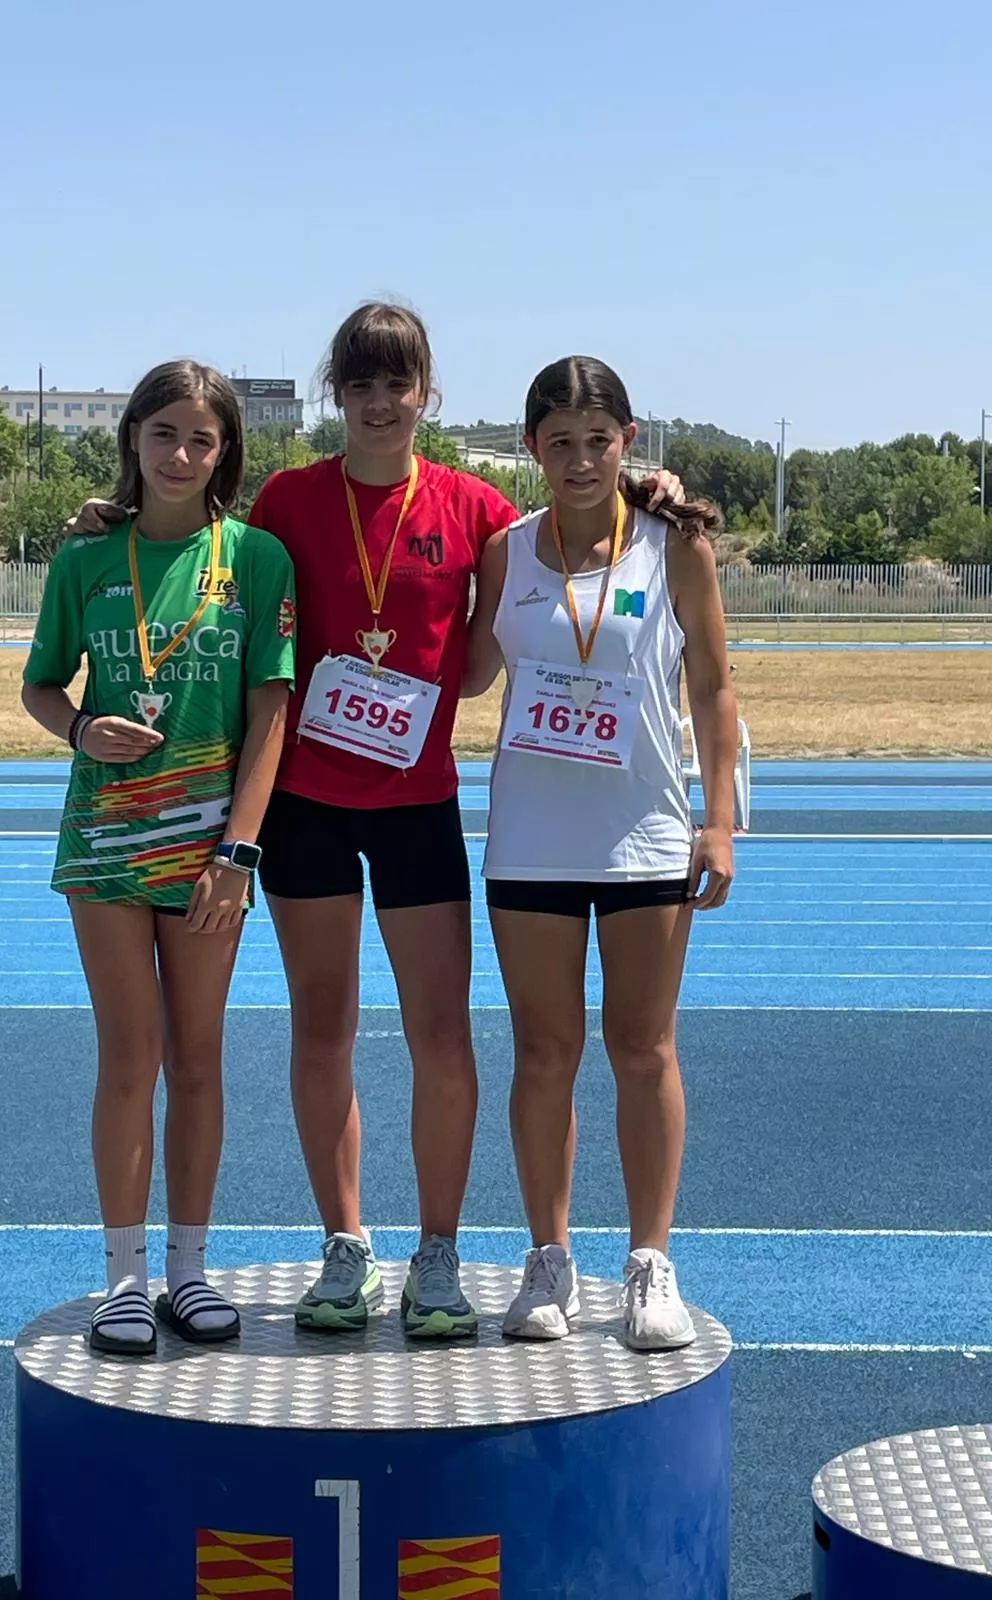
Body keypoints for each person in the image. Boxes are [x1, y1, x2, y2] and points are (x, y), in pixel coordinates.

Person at [70, 305, 682, 1341]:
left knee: (441, 1033)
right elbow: (195, 540)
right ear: (338, 394)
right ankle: (346, 1243)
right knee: (325, 1028)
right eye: (361, 383)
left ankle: (436, 1252)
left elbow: (572, 510)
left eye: (399, 384)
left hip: (418, 805)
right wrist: (110, 521)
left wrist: (651, 488)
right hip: (306, 804)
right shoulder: (289, 501)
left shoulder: (477, 507)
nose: (381, 401)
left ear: (426, 394)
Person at [21, 359, 296, 1356]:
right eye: (163, 433)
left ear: (225, 454)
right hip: (104, 840)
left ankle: (189, 1267)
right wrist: (79, 727)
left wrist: (239, 850)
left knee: (200, 1058)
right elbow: (45, 686)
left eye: (202, 439)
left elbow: (272, 712)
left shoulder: (257, 559)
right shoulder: (85, 560)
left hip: (207, 848)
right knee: (129, 1056)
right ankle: (125, 1277)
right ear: (133, 438)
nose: (181, 454)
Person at [464, 355, 736, 1349]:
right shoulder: (505, 552)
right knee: (543, 1053)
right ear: (532, 447)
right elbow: (466, 668)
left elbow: (712, 687)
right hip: (532, 840)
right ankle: (549, 1257)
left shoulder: (673, 546)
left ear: (629, 441)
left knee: (643, 1047)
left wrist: (720, 819)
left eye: (599, 440)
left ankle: (651, 1259)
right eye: (560, 442)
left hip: (647, 834)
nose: (580, 461)